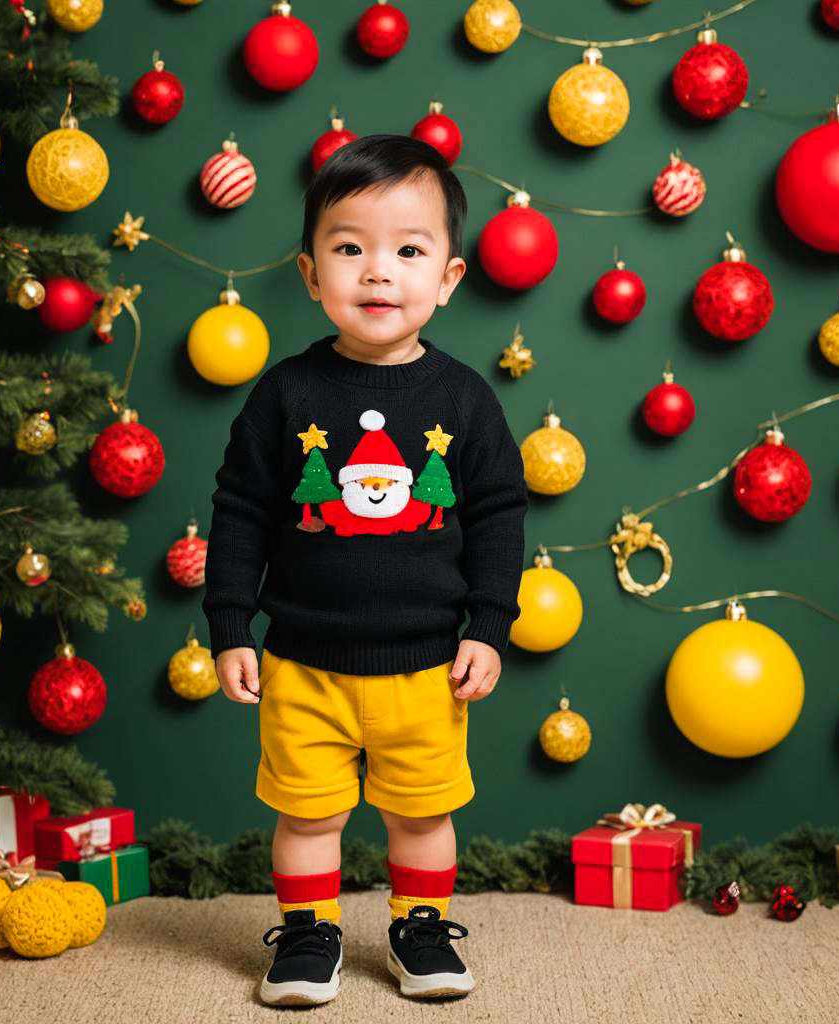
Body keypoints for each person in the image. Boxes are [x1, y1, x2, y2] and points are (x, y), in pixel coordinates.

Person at [203, 133, 528, 1006]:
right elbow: (239, 511)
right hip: (303, 662)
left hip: (427, 665)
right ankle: (310, 940)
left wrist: (490, 627)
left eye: (408, 251)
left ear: (449, 279)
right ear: (311, 275)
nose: (378, 272)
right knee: (308, 814)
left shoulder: (463, 399)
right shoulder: (284, 394)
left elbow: (499, 515)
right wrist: (231, 624)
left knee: (422, 813)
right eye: (349, 249)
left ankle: (420, 932)